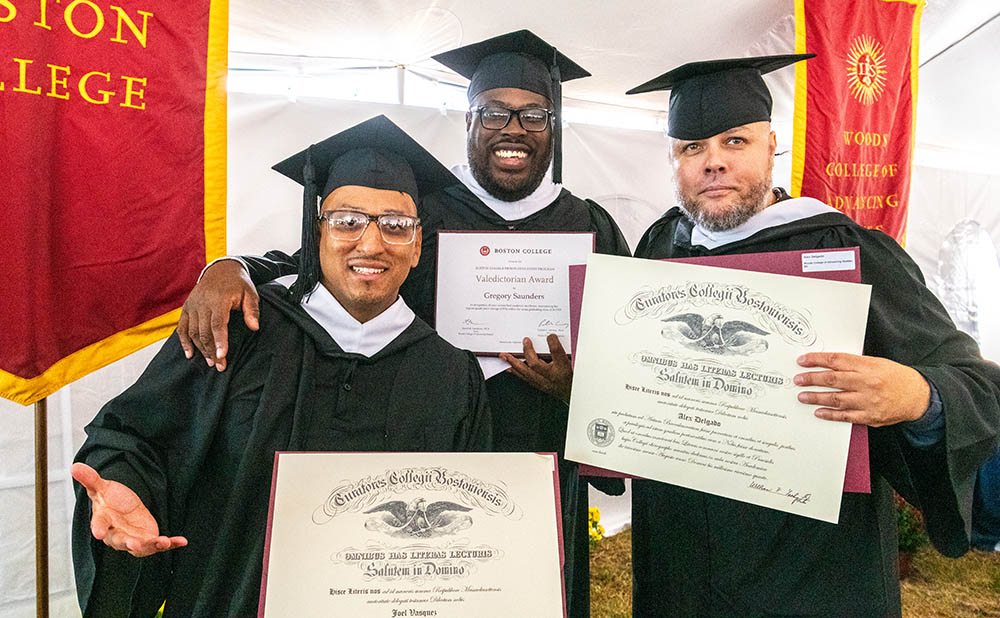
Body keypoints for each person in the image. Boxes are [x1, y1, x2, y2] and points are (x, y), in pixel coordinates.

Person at [176, 30, 630, 618]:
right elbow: (320, 267)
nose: (512, 128)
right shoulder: (422, 214)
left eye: (533, 114)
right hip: (428, 444)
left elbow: (626, 357)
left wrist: (583, 391)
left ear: (554, 125)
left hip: (543, 456)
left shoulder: (591, 225)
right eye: (493, 111)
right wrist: (229, 265)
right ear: (468, 121)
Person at [624, 54, 1000, 617]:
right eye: (691, 148)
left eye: (734, 142)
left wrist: (918, 396)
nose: (712, 164)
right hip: (679, 558)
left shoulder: (849, 251)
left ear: (771, 144)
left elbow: (975, 383)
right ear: (673, 160)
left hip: (809, 564)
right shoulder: (659, 248)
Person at [71, 116, 491, 618]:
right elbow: (140, 435)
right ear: (317, 233)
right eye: (348, 221)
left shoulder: (451, 375)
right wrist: (125, 484)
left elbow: (472, 525)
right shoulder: (240, 329)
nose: (372, 244)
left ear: (418, 245)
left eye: (396, 225)